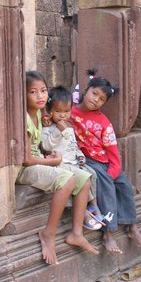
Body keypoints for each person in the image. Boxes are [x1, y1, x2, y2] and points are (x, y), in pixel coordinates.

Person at [16, 71, 99, 265]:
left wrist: (49, 121)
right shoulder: (25, 119)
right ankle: (48, 233)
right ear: (23, 94)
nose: (40, 96)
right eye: (33, 92)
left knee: (84, 177)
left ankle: (76, 233)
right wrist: (53, 161)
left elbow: (42, 142)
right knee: (67, 179)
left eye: (43, 91)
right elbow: (27, 159)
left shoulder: (37, 114)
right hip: (26, 169)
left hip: (41, 160)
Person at [70, 68, 141, 254]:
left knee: (125, 186)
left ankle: (132, 226)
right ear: (86, 90)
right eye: (94, 93)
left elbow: (112, 151)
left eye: (101, 99)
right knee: (106, 186)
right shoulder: (71, 113)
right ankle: (108, 233)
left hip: (106, 162)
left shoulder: (103, 122)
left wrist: (113, 172)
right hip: (88, 161)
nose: (95, 99)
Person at [41, 85, 106, 231]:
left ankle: (94, 206)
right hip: (61, 164)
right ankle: (84, 213)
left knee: (92, 174)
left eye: (66, 111)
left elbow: (73, 145)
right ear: (49, 111)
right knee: (79, 179)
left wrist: (80, 156)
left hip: (74, 162)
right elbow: (45, 146)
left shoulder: (70, 128)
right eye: (58, 111)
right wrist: (57, 131)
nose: (63, 116)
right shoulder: (47, 129)